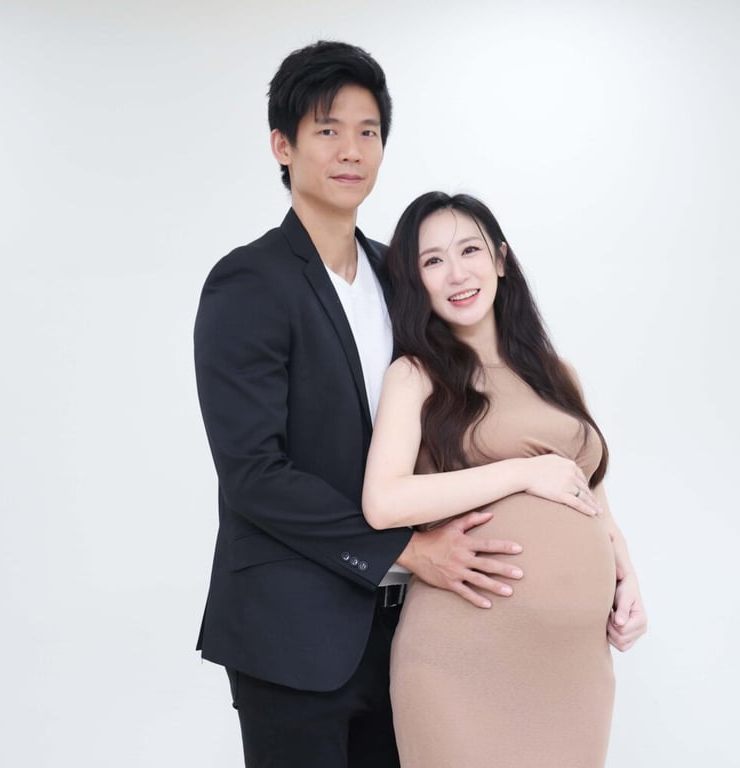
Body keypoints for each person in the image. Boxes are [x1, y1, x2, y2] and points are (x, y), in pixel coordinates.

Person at [192, 43, 526, 768]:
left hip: (412, 631)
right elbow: (254, 474)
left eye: (368, 131)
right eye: (328, 129)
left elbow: (474, 412)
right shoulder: (248, 283)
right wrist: (408, 550)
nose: (351, 150)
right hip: (293, 634)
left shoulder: (399, 275)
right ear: (282, 146)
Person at [362, 192, 649, 767]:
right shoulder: (415, 375)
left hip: (574, 667)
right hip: (464, 655)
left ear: (500, 258)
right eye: (433, 260)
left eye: (469, 250)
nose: (457, 273)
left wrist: (626, 578)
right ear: (416, 282)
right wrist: (522, 471)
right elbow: (384, 501)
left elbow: (587, 491)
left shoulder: (557, 375)